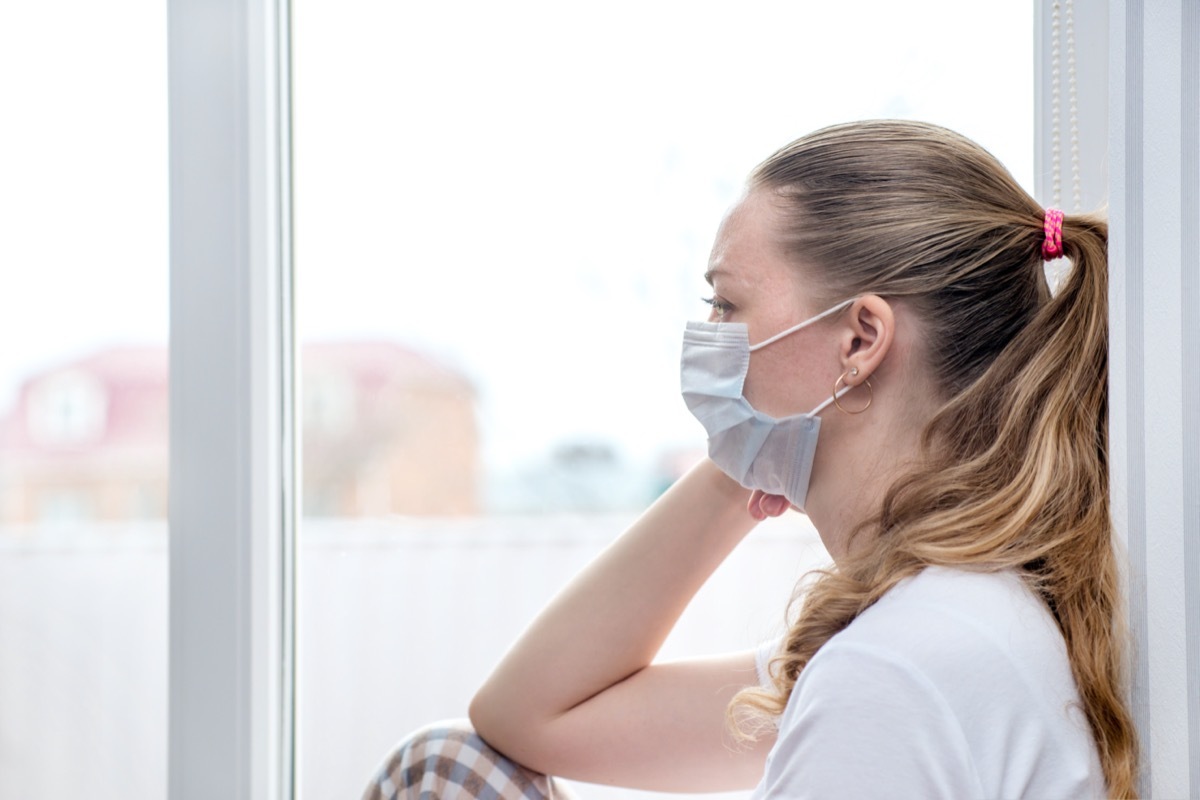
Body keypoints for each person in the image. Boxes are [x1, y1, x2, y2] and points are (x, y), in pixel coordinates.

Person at [363, 120, 1139, 799]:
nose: (709, 331)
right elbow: (526, 717)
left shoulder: (895, 669)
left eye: (727, 304)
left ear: (861, 340)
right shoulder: (945, 621)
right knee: (446, 765)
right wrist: (743, 463)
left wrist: (762, 433)